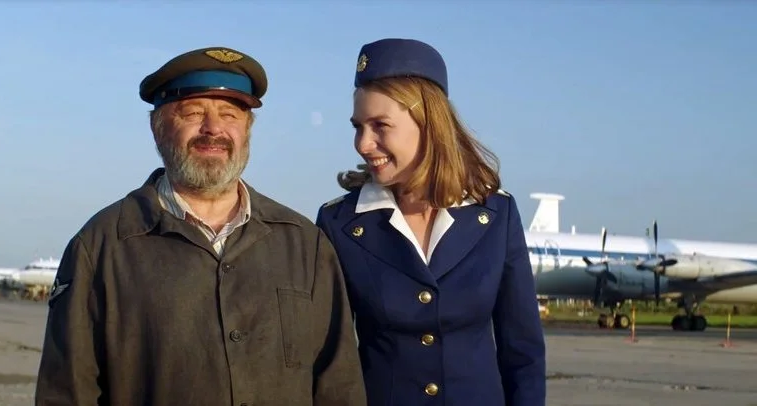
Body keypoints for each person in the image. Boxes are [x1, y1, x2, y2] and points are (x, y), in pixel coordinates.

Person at [35, 46, 367, 406]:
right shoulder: (101, 247)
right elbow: (66, 393)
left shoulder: (305, 246)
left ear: (248, 130)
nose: (214, 129)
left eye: (230, 115)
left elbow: (340, 388)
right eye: (193, 113)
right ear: (158, 128)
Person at [315, 38, 546, 406]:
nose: (363, 143)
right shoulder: (339, 223)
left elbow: (523, 355)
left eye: (380, 125)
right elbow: (327, 362)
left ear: (429, 122)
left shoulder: (496, 216)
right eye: (358, 127)